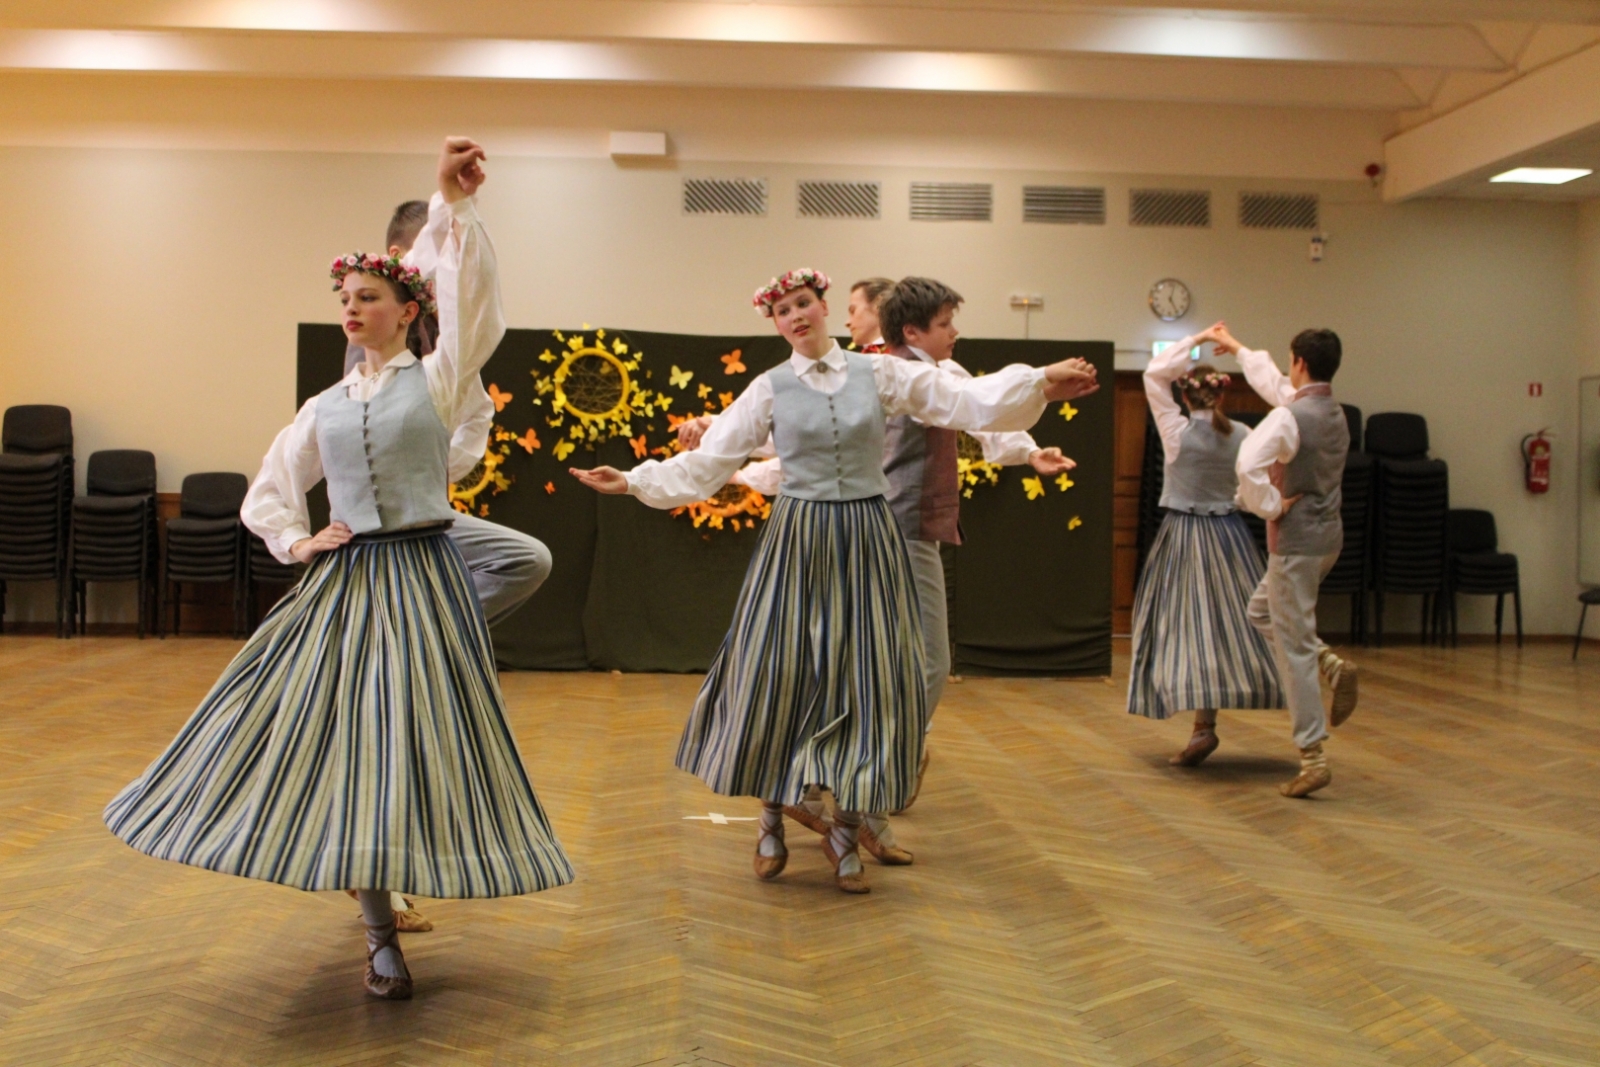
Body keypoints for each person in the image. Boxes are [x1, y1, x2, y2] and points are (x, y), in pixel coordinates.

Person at [104, 137, 573, 1000]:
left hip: (424, 577)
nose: (353, 309)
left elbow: (477, 312)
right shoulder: (323, 404)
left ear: (405, 309)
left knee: (407, 744)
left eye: (370, 297)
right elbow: (270, 488)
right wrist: (299, 541)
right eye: (346, 298)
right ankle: (379, 932)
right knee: (354, 746)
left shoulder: (437, 381)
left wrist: (452, 204)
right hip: (352, 586)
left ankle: (405, 882)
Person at [572, 268, 1095, 893]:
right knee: (783, 672)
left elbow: (962, 401)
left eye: (804, 304)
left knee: (867, 680)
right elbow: (712, 462)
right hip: (800, 540)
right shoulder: (769, 389)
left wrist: (1038, 380)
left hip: (869, 537)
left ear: (824, 307)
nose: (795, 316)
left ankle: (847, 833)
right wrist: (633, 480)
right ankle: (771, 818)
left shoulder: (881, 375)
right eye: (782, 310)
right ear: (775, 322)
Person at [728, 277, 1091, 866]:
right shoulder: (888, 374)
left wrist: (1028, 447)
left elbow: (976, 410)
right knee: (914, 666)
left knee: (869, 665)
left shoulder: (904, 373)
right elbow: (805, 445)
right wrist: (731, 464)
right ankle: (863, 777)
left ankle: (847, 776)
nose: (956, 332)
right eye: (947, 323)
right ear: (915, 329)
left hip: (896, 528)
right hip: (894, 530)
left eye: (834, 308)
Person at [343, 196, 552, 634]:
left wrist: (441, 467)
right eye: (441, 258)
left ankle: (427, 633)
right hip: (378, 521)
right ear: (402, 263)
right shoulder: (375, 338)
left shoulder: (436, 333)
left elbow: (476, 407)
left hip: (424, 508)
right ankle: (408, 632)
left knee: (527, 559)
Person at [1211, 323, 1359, 797]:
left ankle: (1312, 755)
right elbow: (1275, 386)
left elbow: (1247, 462)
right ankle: (1329, 662)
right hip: (1328, 543)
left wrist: (1270, 506)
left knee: (1292, 647)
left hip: (1295, 545)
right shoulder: (1334, 412)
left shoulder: (1290, 418)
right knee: (1261, 612)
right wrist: (1236, 347)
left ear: (1299, 361)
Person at [1127, 325, 1283, 766]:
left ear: (1186, 394)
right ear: (1221, 395)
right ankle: (1206, 725)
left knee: (1184, 626)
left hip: (1183, 537)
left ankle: (1200, 726)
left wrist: (1193, 339)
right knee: (1226, 627)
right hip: (1230, 536)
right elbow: (1264, 476)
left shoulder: (1175, 431)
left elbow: (1153, 376)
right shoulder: (1243, 435)